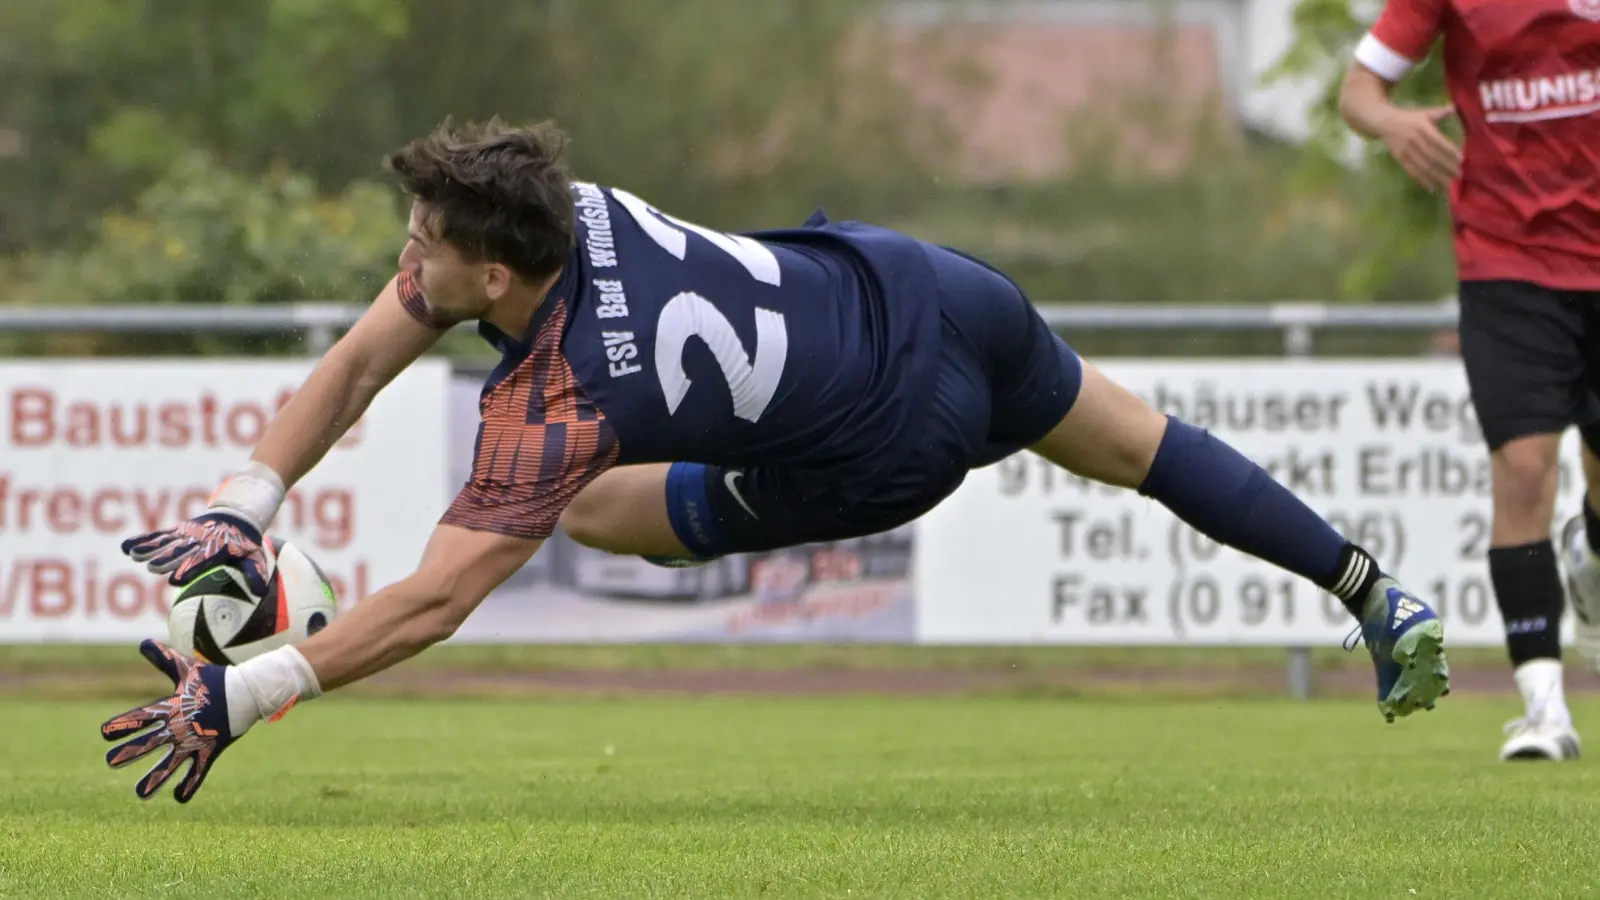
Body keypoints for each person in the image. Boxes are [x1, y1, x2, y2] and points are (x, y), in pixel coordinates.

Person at [99, 119, 1450, 803]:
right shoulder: (566, 215)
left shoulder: (562, 397)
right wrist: (242, 503)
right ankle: (1366, 586)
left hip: (886, 444)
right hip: (924, 285)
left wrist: (252, 690)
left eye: (421, 249)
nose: (404, 262)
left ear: (492, 270)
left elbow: (442, 601)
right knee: (1145, 451)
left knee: (600, 514)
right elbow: (350, 367)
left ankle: (1361, 588)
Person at [1338, 0, 1600, 762]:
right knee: (1523, 475)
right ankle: (1545, 710)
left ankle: (1588, 554)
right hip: (1507, 265)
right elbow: (1358, 90)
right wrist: (1391, 124)